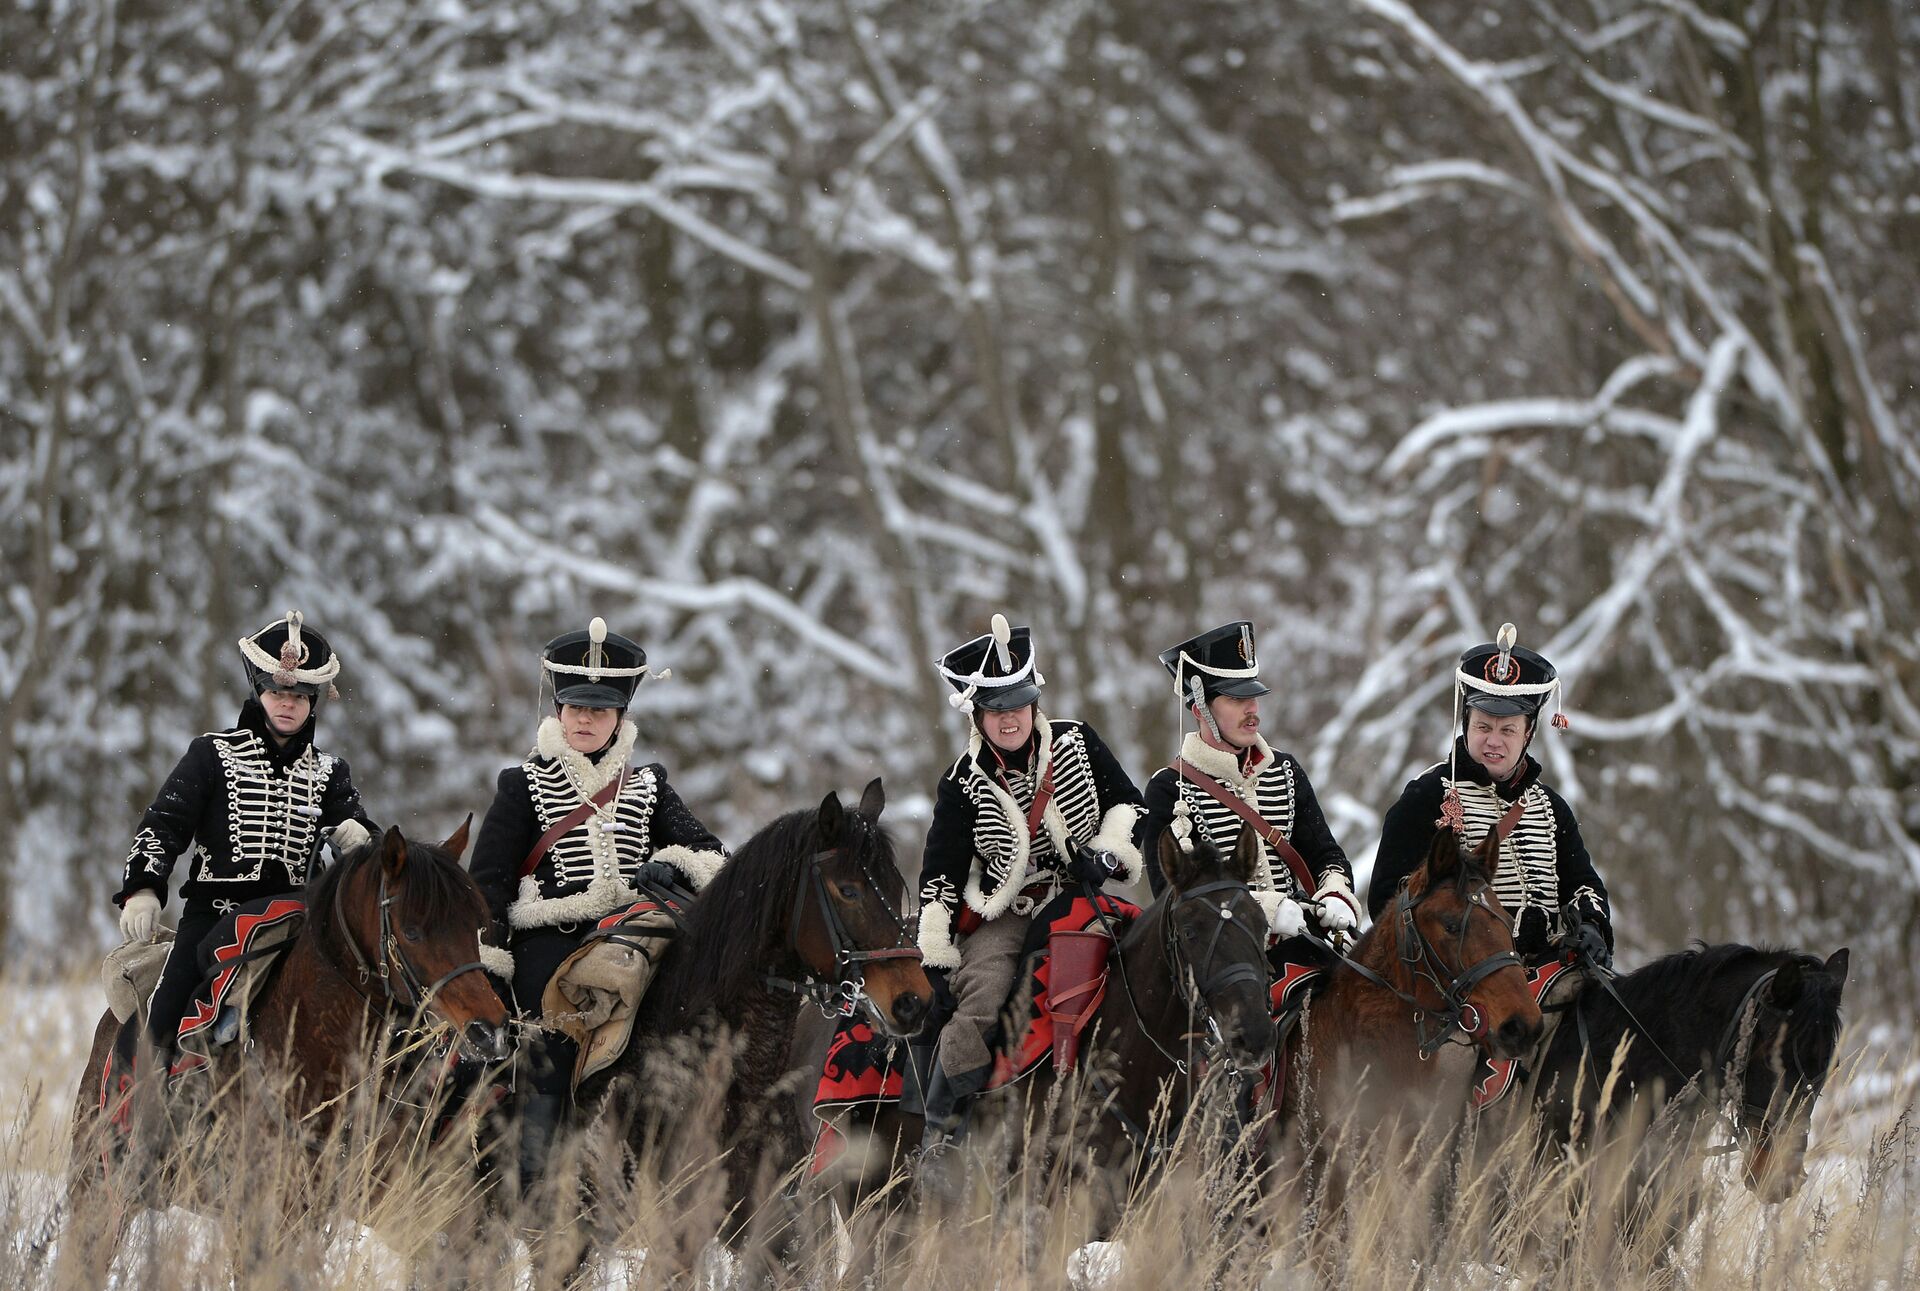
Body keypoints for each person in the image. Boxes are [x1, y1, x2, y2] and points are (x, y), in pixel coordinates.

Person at [467, 617, 728, 1189]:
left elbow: (714, 858)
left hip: (636, 933)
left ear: (620, 718)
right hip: (548, 941)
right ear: (558, 710)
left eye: (599, 709)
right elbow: (487, 885)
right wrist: (494, 962)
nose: (585, 718)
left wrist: (674, 863)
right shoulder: (521, 785)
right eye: (576, 707)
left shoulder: (649, 785)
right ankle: (536, 1170)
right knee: (552, 1040)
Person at [913, 614, 1143, 1162]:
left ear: (1034, 701)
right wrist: (937, 950)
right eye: (996, 708)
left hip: (1086, 897)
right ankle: (943, 1136)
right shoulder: (960, 782)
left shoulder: (1079, 742)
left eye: (1018, 702)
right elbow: (940, 873)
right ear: (977, 714)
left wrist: (1106, 851)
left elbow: (1130, 803)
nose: (1009, 717)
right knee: (984, 995)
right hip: (1011, 913)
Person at [117, 611, 376, 1058]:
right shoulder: (210, 754)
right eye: (276, 690)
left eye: (299, 695)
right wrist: (143, 887)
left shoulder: (331, 772)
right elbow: (164, 825)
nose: (287, 703)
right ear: (259, 691)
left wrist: (363, 839)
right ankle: (131, 1119)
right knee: (158, 1023)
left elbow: (368, 842)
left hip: (298, 919)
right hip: (213, 914)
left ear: (315, 700)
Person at [1367, 624, 1611, 969]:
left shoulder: (1551, 808)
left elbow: (1582, 884)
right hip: (1461, 980)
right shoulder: (1426, 796)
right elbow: (1386, 900)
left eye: (1507, 729)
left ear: (1528, 734)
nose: (1493, 741)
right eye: (1483, 727)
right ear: (1466, 724)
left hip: (1548, 970)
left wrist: (1590, 924)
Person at [1137, 621, 1360, 957]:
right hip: (1223, 959)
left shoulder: (1285, 769)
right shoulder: (1168, 788)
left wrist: (1335, 895)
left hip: (1302, 943)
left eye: (1253, 696)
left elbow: (1326, 856)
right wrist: (1266, 911)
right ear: (1201, 709)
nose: (1252, 709)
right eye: (1235, 698)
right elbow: (1173, 897)